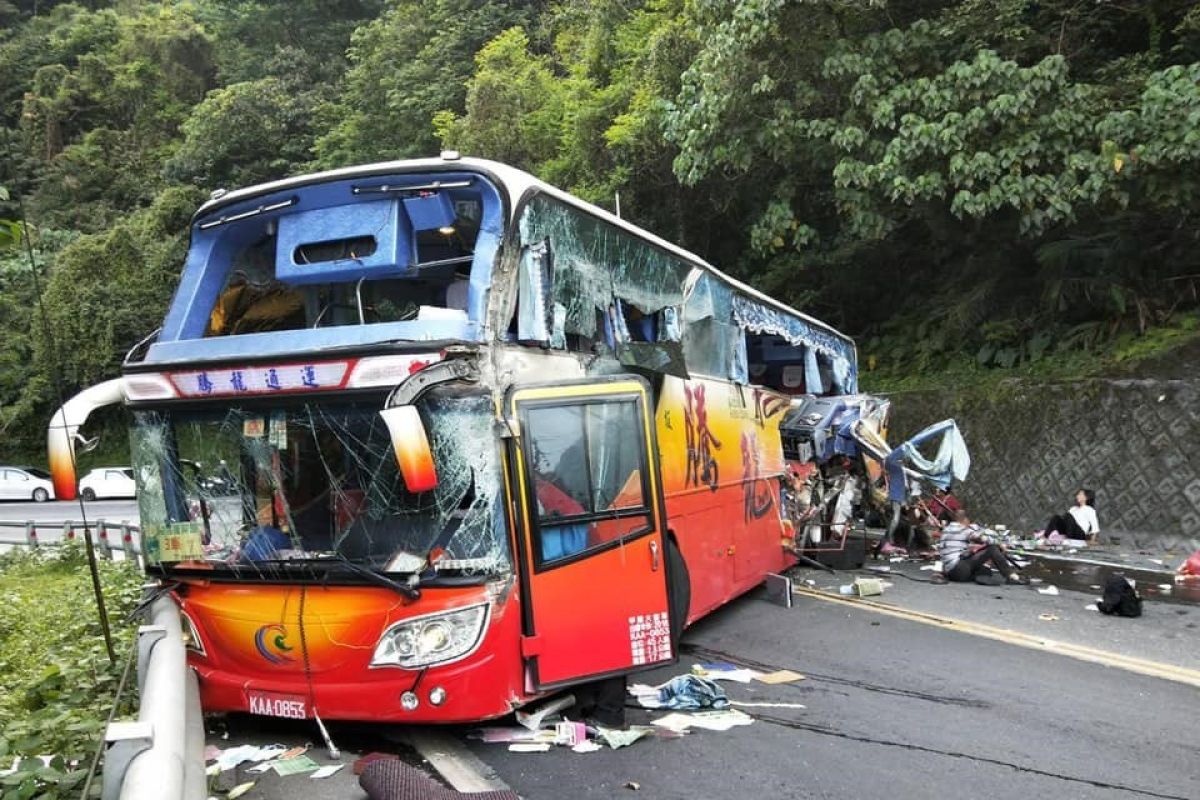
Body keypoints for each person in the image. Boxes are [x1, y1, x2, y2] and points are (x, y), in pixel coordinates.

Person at [939, 510, 1027, 585]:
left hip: (950, 573)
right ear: (965, 519)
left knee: (985, 570)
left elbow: (957, 548)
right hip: (959, 569)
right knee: (992, 549)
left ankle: (980, 575)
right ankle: (1011, 576)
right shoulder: (963, 530)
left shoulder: (946, 530)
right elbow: (983, 539)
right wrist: (999, 544)